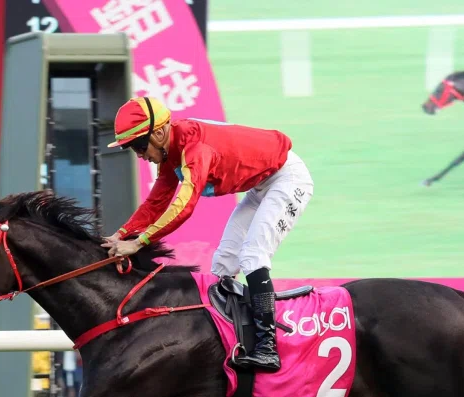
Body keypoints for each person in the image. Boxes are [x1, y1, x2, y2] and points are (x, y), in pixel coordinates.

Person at [101, 96, 314, 372]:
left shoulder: (194, 148)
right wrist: (120, 235)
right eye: (133, 149)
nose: (140, 155)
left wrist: (139, 243)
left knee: (252, 254)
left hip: (287, 179)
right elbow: (155, 203)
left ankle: (267, 348)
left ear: (159, 132)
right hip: (261, 186)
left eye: (139, 146)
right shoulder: (170, 150)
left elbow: (183, 206)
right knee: (222, 265)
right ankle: (228, 339)